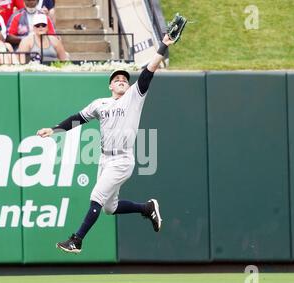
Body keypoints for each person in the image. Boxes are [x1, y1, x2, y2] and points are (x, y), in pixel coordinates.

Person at [36, 14, 187, 254]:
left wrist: (163, 46)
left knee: (96, 195)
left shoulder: (134, 97)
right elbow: (78, 119)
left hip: (122, 159)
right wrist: (54, 130)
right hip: (105, 159)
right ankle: (147, 208)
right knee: (108, 207)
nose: (120, 81)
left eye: (123, 79)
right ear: (109, 85)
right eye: (116, 79)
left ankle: (76, 240)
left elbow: (148, 71)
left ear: (127, 85)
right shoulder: (100, 104)